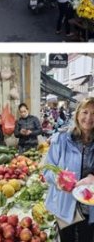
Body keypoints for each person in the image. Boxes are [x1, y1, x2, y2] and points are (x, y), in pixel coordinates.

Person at [43, 97, 94, 242]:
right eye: (85, 112)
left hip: (90, 208)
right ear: (77, 114)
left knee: (87, 238)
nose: (89, 118)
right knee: (67, 239)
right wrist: (58, 180)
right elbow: (47, 170)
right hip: (64, 204)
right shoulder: (61, 139)